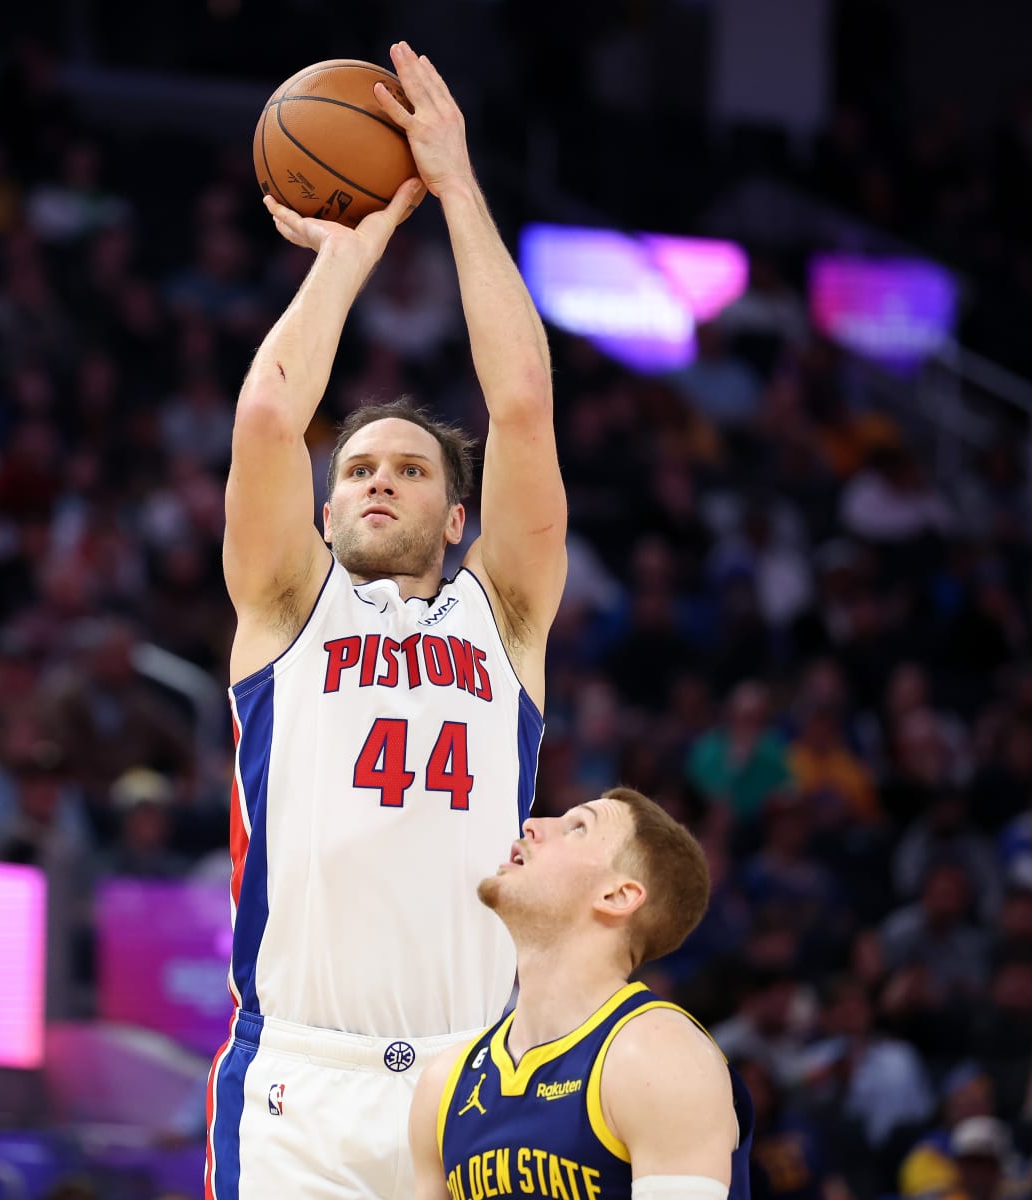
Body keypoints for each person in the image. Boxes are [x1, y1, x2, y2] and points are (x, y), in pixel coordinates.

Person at [208, 42, 568, 1199]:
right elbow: (268, 417)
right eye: (357, 467)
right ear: (324, 510)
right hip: (296, 1085)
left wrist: (457, 185)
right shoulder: (284, 608)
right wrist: (350, 256)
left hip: (470, 1080)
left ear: (460, 517)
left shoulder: (504, 616)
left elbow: (518, 401)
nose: (375, 479)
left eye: (410, 470)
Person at [410, 788, 753, 1200]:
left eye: (577, 827)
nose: (532, 825)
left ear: (617, 895)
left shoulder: (656, 1056)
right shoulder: (445, 1082)